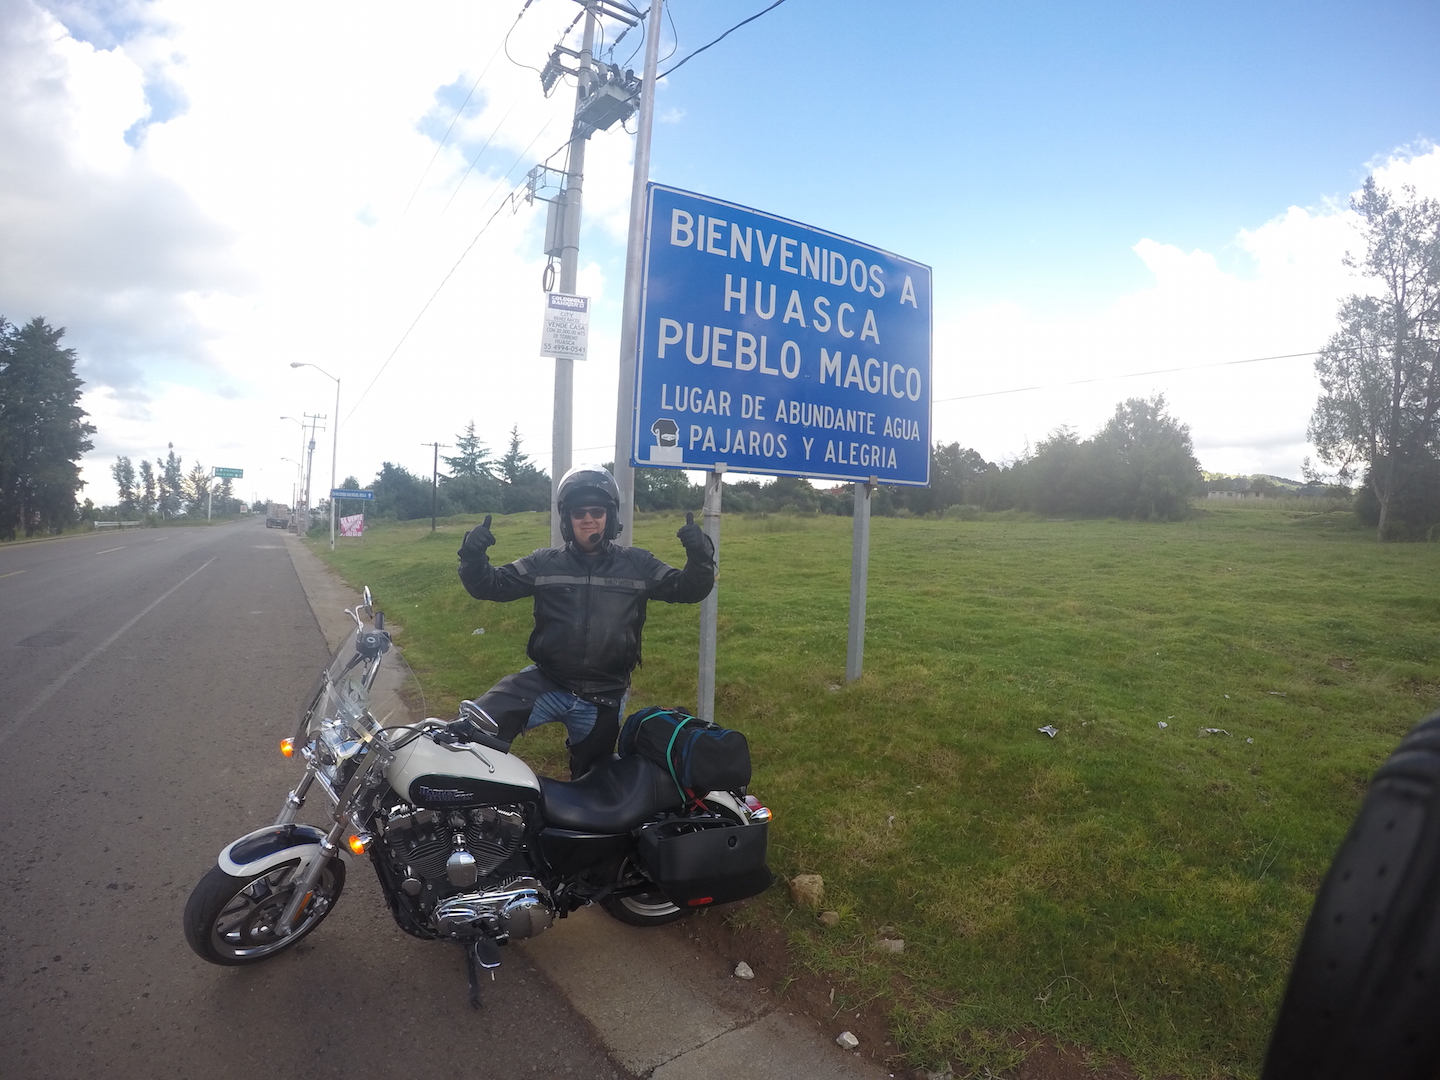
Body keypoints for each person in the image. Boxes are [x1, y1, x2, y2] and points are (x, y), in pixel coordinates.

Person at [452, 464, 715, 778]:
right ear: (567, 520)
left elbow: (688, 589)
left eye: (597, 511)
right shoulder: (543, 562)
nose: (588, 519)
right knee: (469, 730)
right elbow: (489, 585)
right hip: (546, 682)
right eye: (579, 513)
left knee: (592, 781)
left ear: (611, 517)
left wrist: (700, 556)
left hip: (604, 695)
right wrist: (472, 558)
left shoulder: (638, 564)